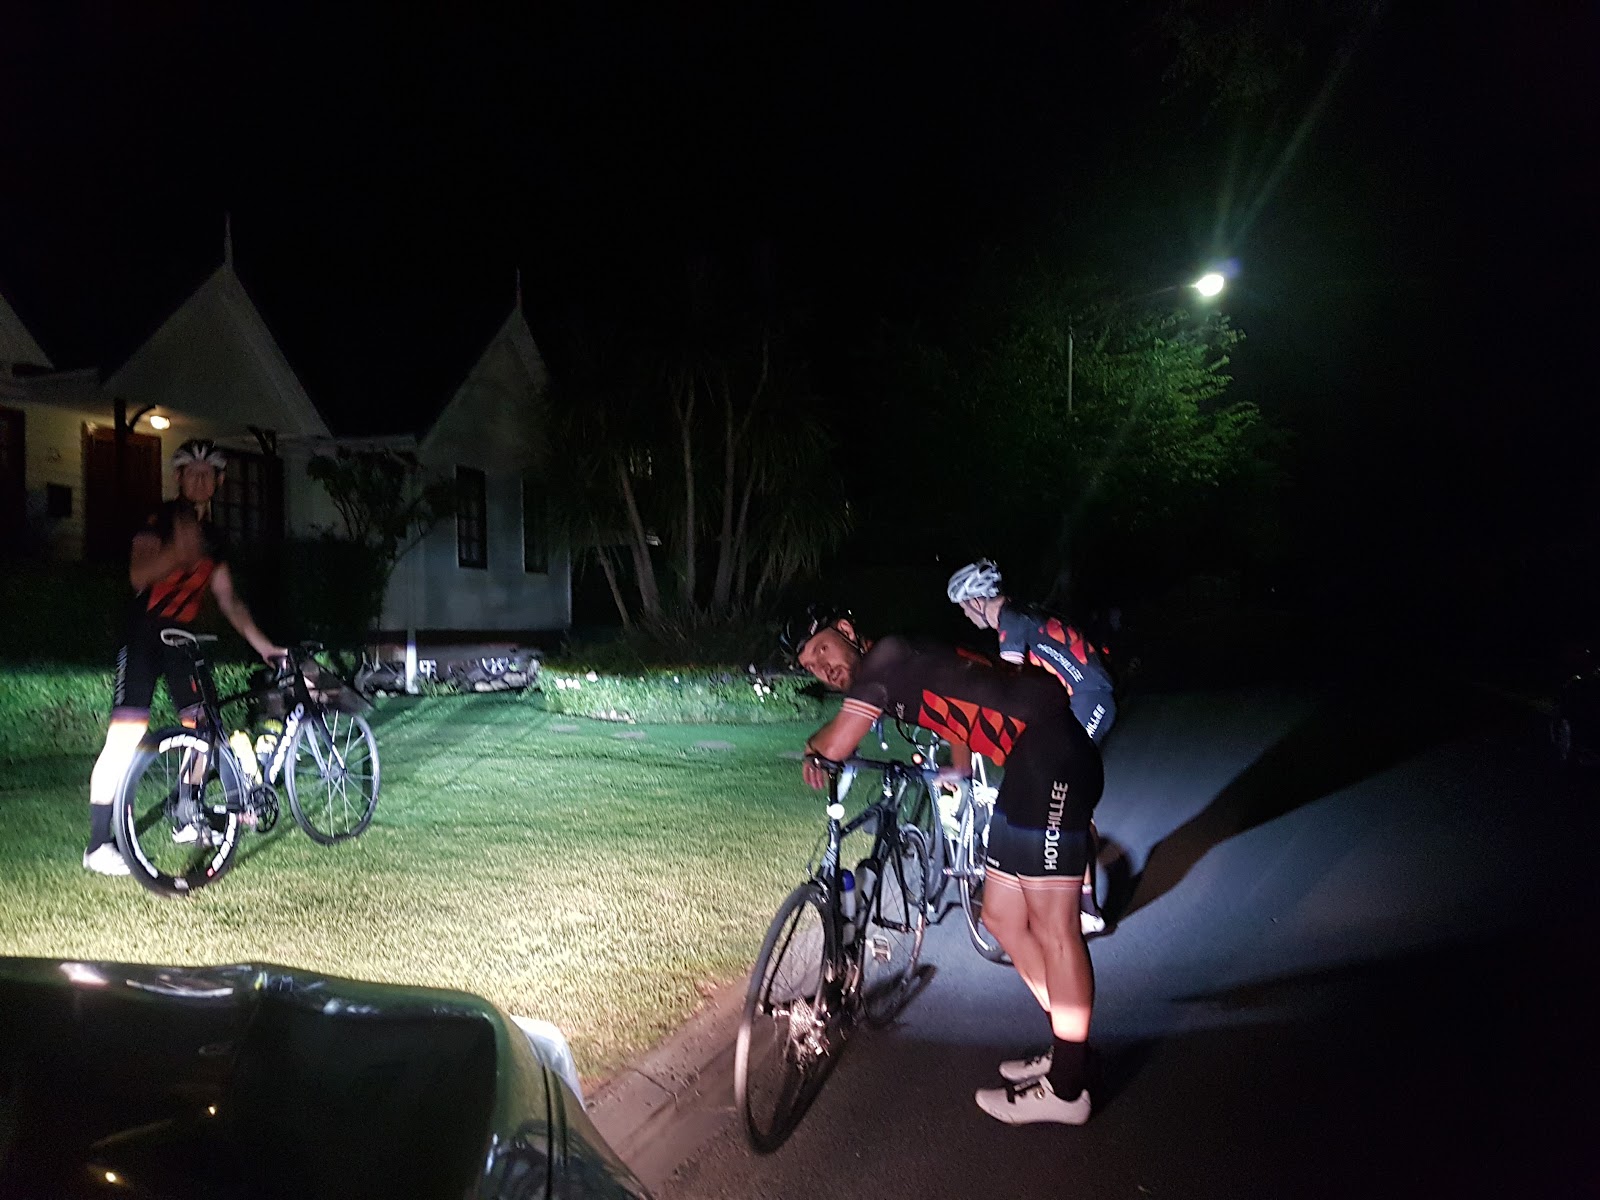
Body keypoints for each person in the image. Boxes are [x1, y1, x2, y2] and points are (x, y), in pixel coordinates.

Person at [783, 606, 1103, 1126]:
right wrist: (957, 766)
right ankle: (1071, 1050)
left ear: (847, 631)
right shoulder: (903, 657)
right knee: (1001, 916)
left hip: (1053, 759)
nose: (822, 668)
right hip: (1028, 767)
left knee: (1055, 929)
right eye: (809, 665)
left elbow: (837, 744)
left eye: (823, 649)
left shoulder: (884, 660)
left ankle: (1069, 1090)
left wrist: (811, 746)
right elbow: (959, 690)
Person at [83, 439, 285, 875]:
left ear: (218, 481)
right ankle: (98, 845)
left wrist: (264, 645)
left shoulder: (215, 538)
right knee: (124, 739)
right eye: (191, 472)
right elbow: (138, 574)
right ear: (178, 478)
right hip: (143, 636)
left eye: (207, 473)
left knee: (206, 730)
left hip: (183, 642)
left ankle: (185, 815)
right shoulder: (157, 520)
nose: (199, 480)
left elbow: (229, 600)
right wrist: (176, 553)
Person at [947, 559, 1117, 932]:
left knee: (1060, 799)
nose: (964, 615)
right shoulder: (1019, 613)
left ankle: (1082, 908)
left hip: (1089, 700)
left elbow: (1008, 689)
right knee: (1068, 801)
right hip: (1083, 699)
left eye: (963, 607)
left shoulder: (1010, 621)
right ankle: (1084, 904)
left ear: (976, 600)